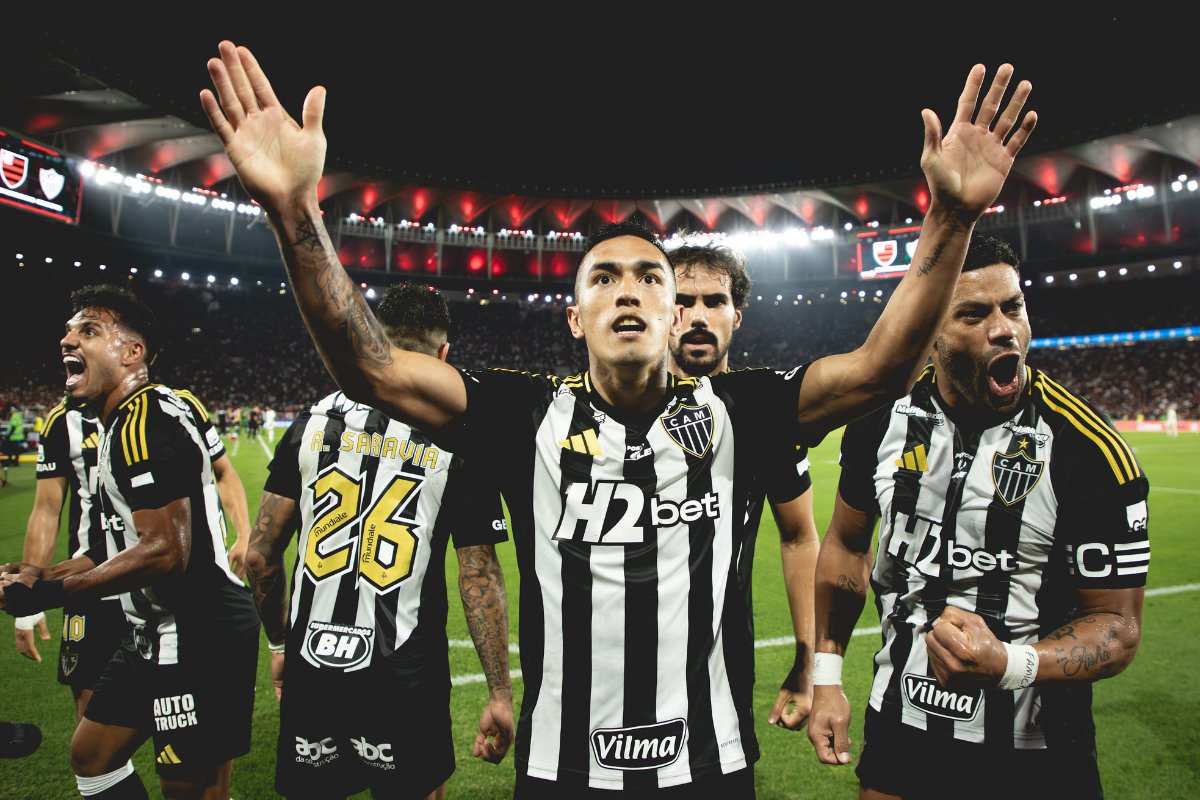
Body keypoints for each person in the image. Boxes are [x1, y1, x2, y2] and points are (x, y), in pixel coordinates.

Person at [201, 40, 1035, 796]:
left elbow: (882, 369)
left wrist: (953, 217)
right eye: (603, 279)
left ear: (674, 315)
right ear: (575, 318)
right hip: (562, 768)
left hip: (708, 763)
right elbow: (371, 369)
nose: (627, 288)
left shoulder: (742, 411)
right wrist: (294, 212)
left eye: (648, 277)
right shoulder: (521, 414)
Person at [806, 234, 1148, 800]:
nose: (1002, 329)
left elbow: (1118, 627)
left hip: (1038, 749)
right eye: (972, 313)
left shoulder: (1089, 451)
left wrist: (1010, 662)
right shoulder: (877, 422)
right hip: (901, 722)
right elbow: (845, 545)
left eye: (1012, 307)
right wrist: (826, 679)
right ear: (930, 330)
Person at [246, 281, 514, 800]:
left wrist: (281, 644)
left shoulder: (313, 421)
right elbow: (478, 574)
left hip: (314, 665)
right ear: (442, 355)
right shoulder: (460, 433)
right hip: (404, 674)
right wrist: (499, 694)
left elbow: (259, 555)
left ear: (378, 343)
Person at [0, 283, 260, 800]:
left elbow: (166, 550)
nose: (67, 340)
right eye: (69, 330)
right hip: (150, 629)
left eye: (88, 330)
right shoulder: (115, 425)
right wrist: (42, 574)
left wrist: (55, 594)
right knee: (91, 755)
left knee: (188, 787)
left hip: (198, 631)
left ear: (132, 353)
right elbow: (111, 545)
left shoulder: (146, 420)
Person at [14, 383, 253, 728]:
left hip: (168, 589)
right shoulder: (62, 421)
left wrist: (244, 533)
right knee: (90, 719)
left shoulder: (178, 406)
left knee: (187, 731)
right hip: (92, 583)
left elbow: (223, 472)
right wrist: (30, 603)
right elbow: (47, 510)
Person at [666, 239, 820, 733]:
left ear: (736, 316)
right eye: (682, 301)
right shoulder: (608, 412)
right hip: (603, 673)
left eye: (715, 301)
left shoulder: (763, 411)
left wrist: (808, 659)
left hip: (722, 671)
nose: (697, 316)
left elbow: (799, 535)